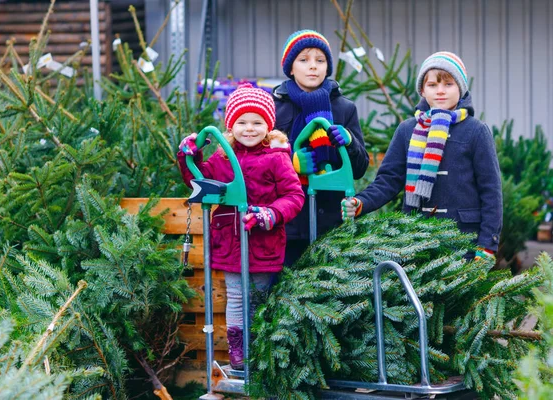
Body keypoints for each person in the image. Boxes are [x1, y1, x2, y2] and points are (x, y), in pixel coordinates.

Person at [177, 83, 304, 369]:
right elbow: (198, 180)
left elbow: (294, 196)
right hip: (229, 241)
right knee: (235, 296)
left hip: (262, 242)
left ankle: (259, 346)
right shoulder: (221, 157)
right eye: (241, 122)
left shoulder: (276, 158)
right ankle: (238, 348)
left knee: (257, 297)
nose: (249, 128)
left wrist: (269, 214)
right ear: (230, 127)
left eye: (257, 122)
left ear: (268, 126)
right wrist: (190, 156)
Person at [342, 51, 502, 259]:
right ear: (423, 90)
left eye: (448, 84)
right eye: (433, 85)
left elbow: (491, 190)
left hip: (464, 239)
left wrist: (488, 244)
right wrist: (361, 203)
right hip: (417, 236)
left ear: (461, 88)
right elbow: (388, 180)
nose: (440, 91)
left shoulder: (476, 131)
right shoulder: (407, 130)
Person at [272, 29, 369, 265]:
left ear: (328, 67)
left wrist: (349, 142)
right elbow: (260, 160)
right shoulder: (275, 108)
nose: (312, 66)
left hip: (331, 219)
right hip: (289, 223)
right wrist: (291, 162)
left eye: (320, 60)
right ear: (291, 68)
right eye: (303, 60)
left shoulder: (344, 108)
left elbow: (359, 168)